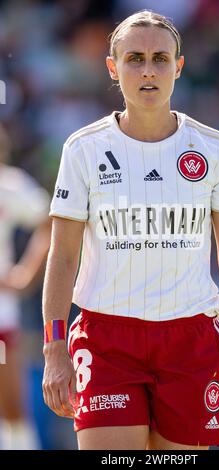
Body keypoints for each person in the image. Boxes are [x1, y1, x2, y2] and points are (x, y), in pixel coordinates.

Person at [42, 10, 219, 450]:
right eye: (134, 58)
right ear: (112, 67)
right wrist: (54, 348)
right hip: (105, 340)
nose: (147, 70)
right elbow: (62, 256)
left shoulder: (214, 150)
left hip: (190, 341)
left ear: (179, 67)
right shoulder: (83, 149)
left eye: (160, 59)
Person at [0, 124, 51, 449]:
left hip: (1, 317)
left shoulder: (9, 185)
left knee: (12, 412)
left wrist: (25, 274)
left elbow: (50, 221)